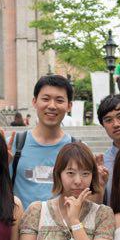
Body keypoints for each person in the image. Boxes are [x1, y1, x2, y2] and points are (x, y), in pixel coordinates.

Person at [9, 74, 74, 211]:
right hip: (20, 228)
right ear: (34, 102)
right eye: (45, 99)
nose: (52, 106)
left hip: (62, 229)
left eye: (59, 100)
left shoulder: (77, 148)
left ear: (69, 106)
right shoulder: (13, 144)